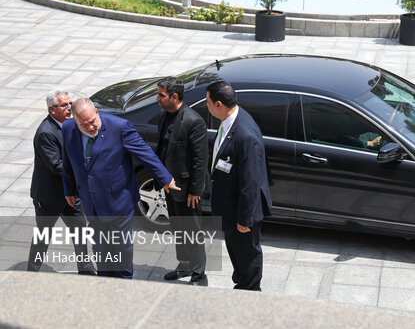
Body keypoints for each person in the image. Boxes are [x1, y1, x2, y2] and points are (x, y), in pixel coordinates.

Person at [62, 98, 179, 279]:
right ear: (75, 121)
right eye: (84, 125)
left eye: (93, 121)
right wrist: (69, 189)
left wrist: (165, 178)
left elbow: (145, 153)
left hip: (119, 201)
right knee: (100, 247)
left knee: (120, 248)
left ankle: (124, 283)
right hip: (91, 202)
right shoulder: (68, 128)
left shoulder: (119, 127)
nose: (91, 127)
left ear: (97, 113)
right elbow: (68, 160)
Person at [206, 81, 272, 291]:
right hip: (230, 207)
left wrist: (245, 219)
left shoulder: (245, 134)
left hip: (242, 213)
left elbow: (250, 182)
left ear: (218, 104)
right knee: (237, 254)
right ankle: (242, 284)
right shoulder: (230, 120)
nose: (205, 106)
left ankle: (250, 292)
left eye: (207, 102)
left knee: (247, 257)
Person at [27, 90, 96, 275]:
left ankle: (86, 267)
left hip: (71, 193)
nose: (69, 108)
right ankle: (31, 272)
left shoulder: (71, 124)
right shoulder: (45, 133)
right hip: (50, 196)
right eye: (64, 105)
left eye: (70, 103)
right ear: (52, 109)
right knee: (44, 235)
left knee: (80, 229)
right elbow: (56, 166)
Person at [155, 77, 208, 286]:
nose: (157, 98)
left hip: (187, 190)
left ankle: (199, 274)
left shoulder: (193, 121)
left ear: (174, 97)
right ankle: (184, 264)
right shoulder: (163, 116)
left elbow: (199, 160)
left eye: (161, 95)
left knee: (192, 230)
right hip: (170, 186)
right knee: (178, 228)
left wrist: (195, 190)